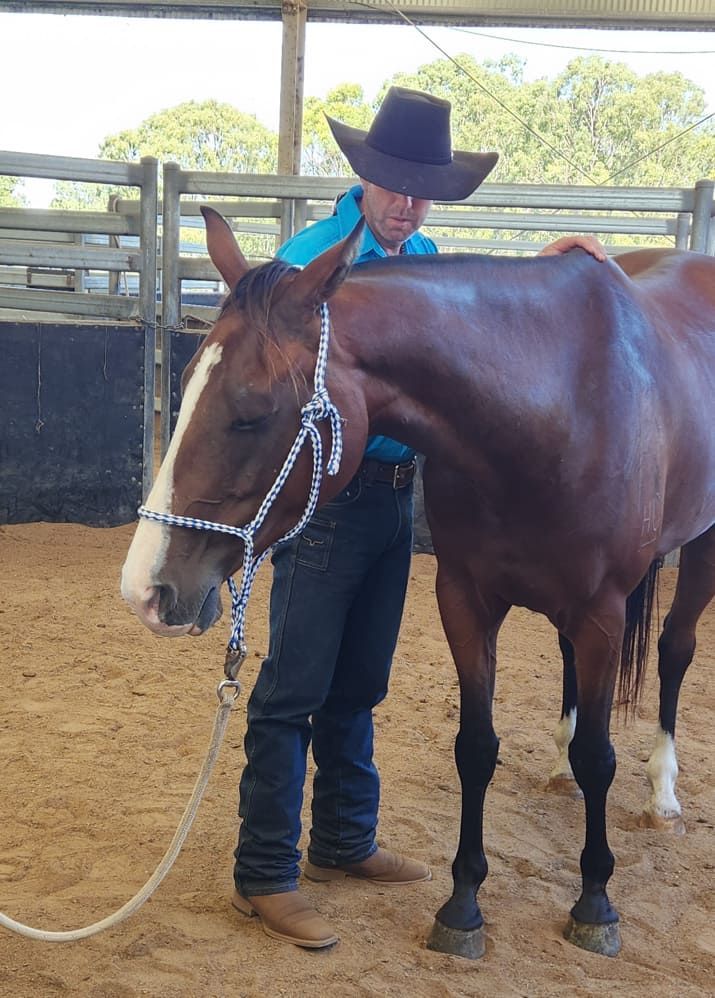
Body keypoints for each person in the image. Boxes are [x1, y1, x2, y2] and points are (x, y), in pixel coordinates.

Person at [231, 86, 606, 950]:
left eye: (422, 188)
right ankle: (263, 873)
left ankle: (342, 840)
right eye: (394, 184)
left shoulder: (426, 251)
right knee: (293, 689)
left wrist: (544, 268)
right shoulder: (309, 263)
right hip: (328, 502)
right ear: (362, 177)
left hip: (401, 500)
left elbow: (475, 328)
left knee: (359, 683)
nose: (408, 201)